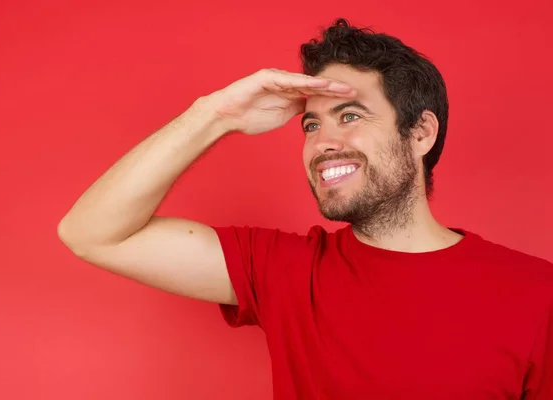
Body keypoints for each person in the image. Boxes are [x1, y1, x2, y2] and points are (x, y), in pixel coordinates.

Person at [57, 18, 553, 399]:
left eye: (350, 115)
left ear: (420, 132)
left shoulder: (537, 295)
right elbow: (93, 233)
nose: (323, 144)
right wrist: (214, 115)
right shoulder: (284, 270)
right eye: (311, 126)